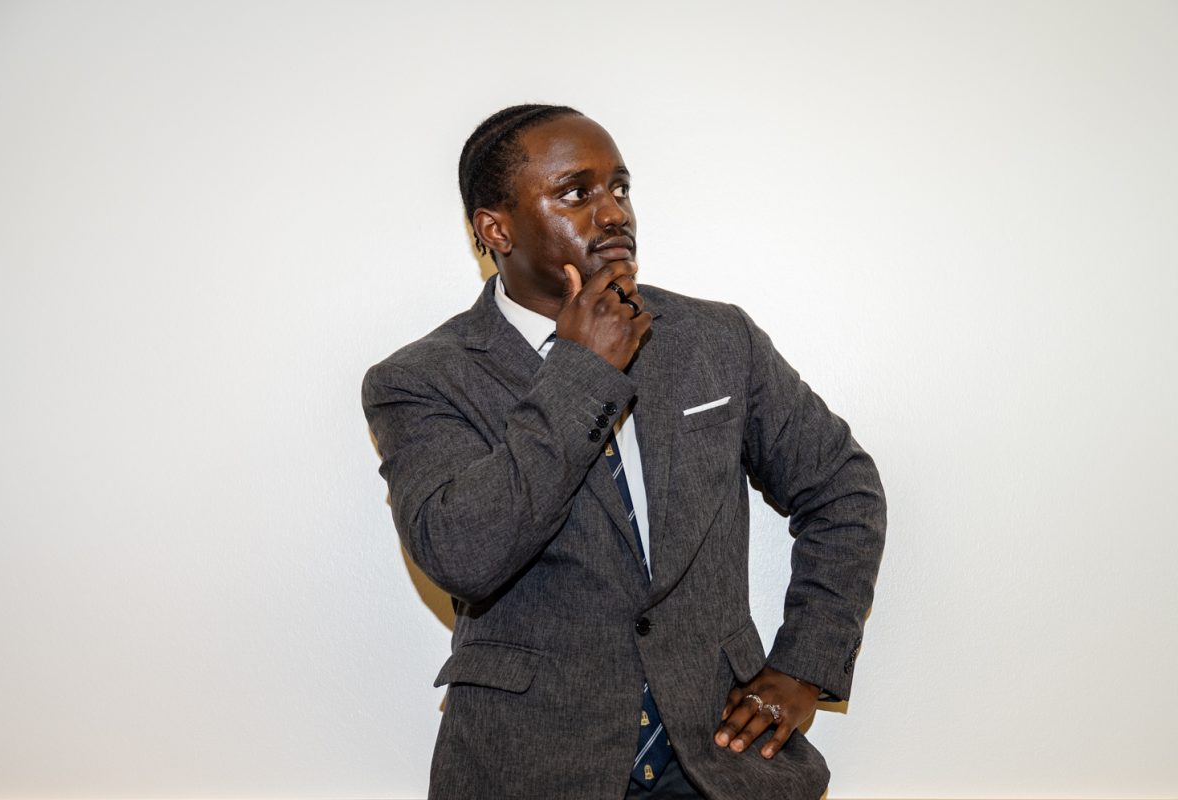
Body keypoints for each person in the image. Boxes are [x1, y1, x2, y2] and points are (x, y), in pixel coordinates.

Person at [362, 104, 886, 800]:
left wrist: (805, 665)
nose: (613, 214)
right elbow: (464, 556)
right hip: (530, 767)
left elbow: (842, 489)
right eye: (576, 192)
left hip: (719, 763)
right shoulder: (421, 380)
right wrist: (583, 372)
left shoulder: (716, 340)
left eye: (621, 188)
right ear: (496, 229)